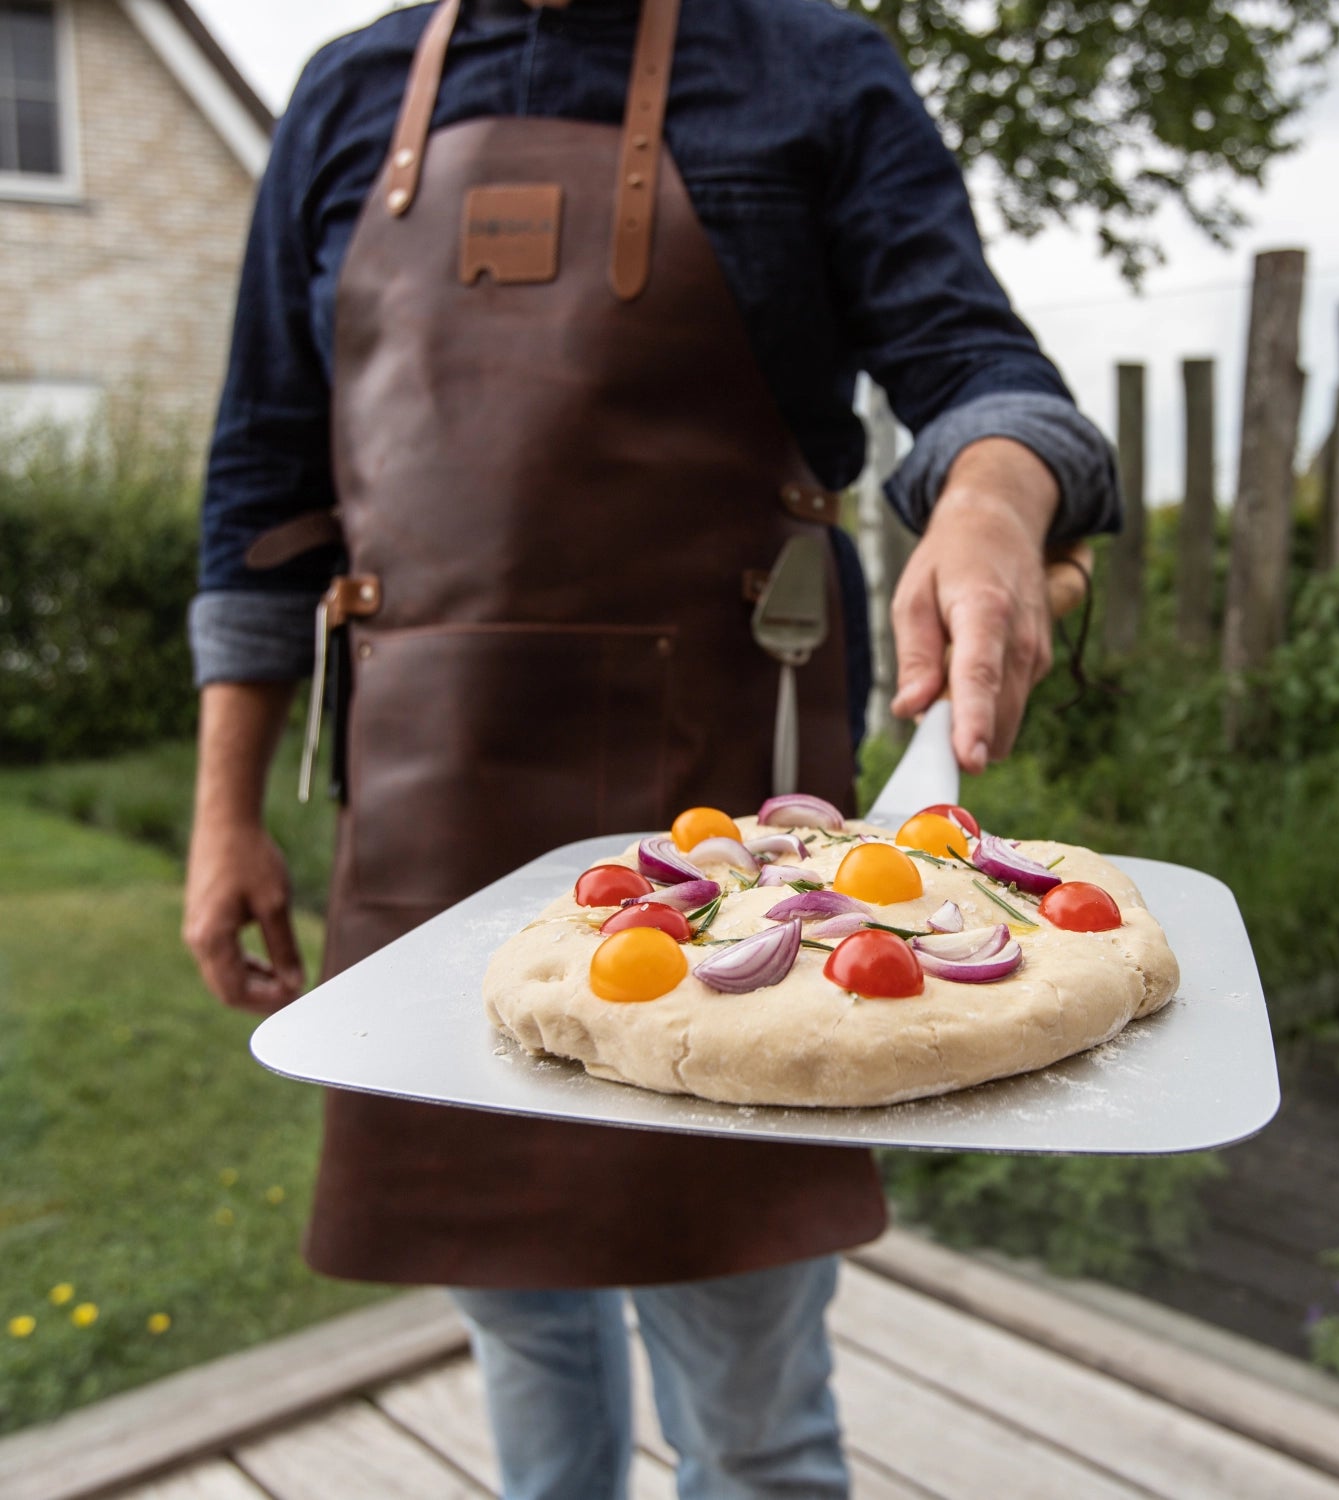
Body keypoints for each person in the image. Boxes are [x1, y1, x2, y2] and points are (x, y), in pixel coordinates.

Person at [183, 0, 1120, 1495]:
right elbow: (262, 482)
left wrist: (999, 501)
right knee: (516, 1318)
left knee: (747, 1401)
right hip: (428, 834)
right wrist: (225, 809)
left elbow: (978, 377)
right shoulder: (346, 94)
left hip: (735, 858)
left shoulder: (812, 63)